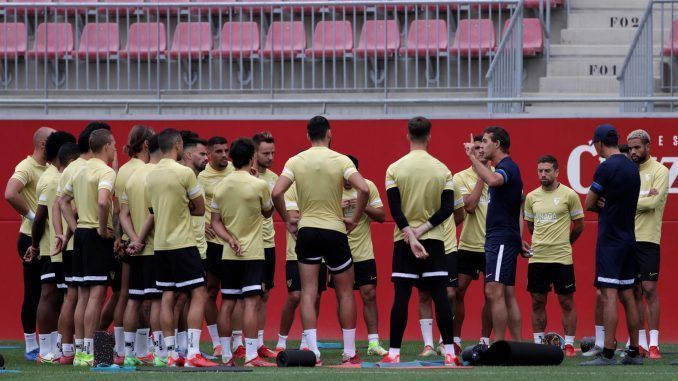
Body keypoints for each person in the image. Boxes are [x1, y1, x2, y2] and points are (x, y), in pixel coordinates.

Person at [271, 116, 369, 366]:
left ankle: (313, 353)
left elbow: (276, 192)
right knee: (346, 292)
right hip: (334, 230)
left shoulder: (295, 160)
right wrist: (355, 220)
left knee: (308, 291)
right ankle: (349, 353)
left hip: (307, 231)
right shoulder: (340, 159)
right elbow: (364, 189)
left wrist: (288, 221)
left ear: (307, 135)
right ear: (329, 133)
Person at [381, 117, 460, 366]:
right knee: (440, 296)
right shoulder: (442, 169)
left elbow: (394, 208)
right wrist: (423, 230)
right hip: (434, 242)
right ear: (429, 136)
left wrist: (410, 235)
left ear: (407, 135)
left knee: (401, 297)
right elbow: (448, 209)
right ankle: (450, 352)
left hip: (404, 241)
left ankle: (394, 353)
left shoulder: (394, 168)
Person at [142, 128, 216, 367]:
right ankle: (193, 352)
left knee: (167, 296)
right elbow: (200, 208)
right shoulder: (185, 173)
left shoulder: (149, 175)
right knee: (199, 292)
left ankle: (172, 354)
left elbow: (153, 211)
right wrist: (186, 208)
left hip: (161, 245)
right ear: (177, 144)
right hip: (183, 242)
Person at [210, 138, 276, 367]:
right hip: (253, 253)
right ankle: (250, 356)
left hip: (229, 253)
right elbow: (268, 213)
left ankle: (227, 356)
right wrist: (256, 180)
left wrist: (229, 238)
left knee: (227, 303)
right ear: (252, 158)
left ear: (231, 159)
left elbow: (215, 222)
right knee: (250, 303)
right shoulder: (259, 185)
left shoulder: (221, 186)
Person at [581, 124, 642, 366]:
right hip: (629, 237)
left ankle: (607, 353)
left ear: (598, 144)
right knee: (629, 296)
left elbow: (588, 203)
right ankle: (634, 352)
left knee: (609, 295)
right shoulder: (632, 166)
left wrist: (599, 204)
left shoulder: (606, 168)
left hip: (611, 241)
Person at [52, 122, 110, 365]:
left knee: (81, 295)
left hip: (81, 235)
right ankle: (90, 353)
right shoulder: (105, 171)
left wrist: (73, 230)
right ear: (107, 146)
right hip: (95, 234)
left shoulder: (76, 169)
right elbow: (104, 202)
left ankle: (79, 352)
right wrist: (103, 228)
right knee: (96, 295)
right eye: (114, 145)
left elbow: (62, 201)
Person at [463, 126, 526, 343]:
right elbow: (518, 206)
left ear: (497, 144)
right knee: (506, 294)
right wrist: (517, 238)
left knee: (493, 292)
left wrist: (473, 158)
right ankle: (518, 346)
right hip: (504, 238)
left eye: (486, 142)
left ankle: (498, 344)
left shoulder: (507, 166)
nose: (482, 147)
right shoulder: (504, 167)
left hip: (500, 239)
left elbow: (493, 180)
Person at [523, 155, 584, 357]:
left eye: (547, 170)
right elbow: (531, 227)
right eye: (540, 170)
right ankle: (539, 343)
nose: (543, 174)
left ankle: (568, 344)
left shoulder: (569, 195)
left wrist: (565, 243)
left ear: (557, 172)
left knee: (566, 302)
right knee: (537, 301)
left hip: (562, 258)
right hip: (538, 257)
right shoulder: (531, 197)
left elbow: (579, 225)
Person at [5, 126, 55, 361]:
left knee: (53, 291)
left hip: (49, 238)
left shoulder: (50, 168)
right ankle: (30, 344)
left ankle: (52, 343)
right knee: (34, 291)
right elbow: (10, 193)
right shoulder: (26, 167)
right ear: (43, 144)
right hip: (30, 238)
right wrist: (34, 217)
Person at [29, 131, 76, 363]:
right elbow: (42, 216)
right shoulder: (54, 179)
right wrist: (36, 245)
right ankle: (49, 350)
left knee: (68, 296)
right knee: (56, 295)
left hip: (59, 245)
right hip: (58, 248)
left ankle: (62, 349)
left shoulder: (56, 176)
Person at [334, 154, 389, 356]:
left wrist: (360, 204)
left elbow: (382, 216)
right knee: (343, 297)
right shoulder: (331, 186)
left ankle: (374, 343)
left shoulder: (367, 186)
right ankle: (348, 343)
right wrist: (337, 208)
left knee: (369, 294)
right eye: (344, 176)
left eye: (351, 176)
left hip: (363, 251)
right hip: (338, 251)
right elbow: (318, 214)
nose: (347, 181)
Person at [112, 125, 155, 365]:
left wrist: (122, 238)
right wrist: (139, 239)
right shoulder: (149, 171)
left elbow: (119, 211)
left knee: (123, 296)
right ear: (147, 145)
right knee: (150, 299)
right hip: (147, 242)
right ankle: (143, 349)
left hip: (129, 240)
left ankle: (122, 350)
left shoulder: (122, 172)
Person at [120, 134, 165, 366]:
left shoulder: (133, 175)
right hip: (155, 247)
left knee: (133, 299)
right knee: (157, 301)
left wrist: (134, 240)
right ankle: (159, 354)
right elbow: (154, 213)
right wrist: (142, 240)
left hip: (136, 249)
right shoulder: (158, 176)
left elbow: (123, 214)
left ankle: (129, 355)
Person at [627, 129, 669, 359]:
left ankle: (654, 343)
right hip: (626, 238)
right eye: (630, 148)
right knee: (632, 292)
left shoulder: (660, 171)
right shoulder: (626, 171)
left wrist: (628, 202)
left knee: (649, 289)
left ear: (648, 147)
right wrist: (641, 199)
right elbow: (642, 200)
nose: (633, 152)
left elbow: (653, 202)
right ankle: (640, 342)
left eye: (637, 148)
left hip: (649, 239)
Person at [275, 183, 326, 352]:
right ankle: (282, 341)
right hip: (295, 253)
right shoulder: (291, 188)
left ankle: (307, 341)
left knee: (316, 297)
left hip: (321, 252)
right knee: (295, 296)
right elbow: (293, 217)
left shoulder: (322, 186)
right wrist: (321, 215)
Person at [452, 135, 493, 348]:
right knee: (457, 291)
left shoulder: (499, 175)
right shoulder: (460, 177)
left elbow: (517, 208)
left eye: (483, 146)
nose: (480, 151)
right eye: (476, 147)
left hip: (492, 247)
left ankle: (485, 340)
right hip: (468, 244)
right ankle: (455, 340)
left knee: (490, 294)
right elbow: (469, 206)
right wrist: (481, 176)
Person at [417, 180, 465, 357]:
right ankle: (428, 345)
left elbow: (459, 215)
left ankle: (443, 341)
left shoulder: (453, 187)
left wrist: (447, 231)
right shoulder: (420, 186)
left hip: (449, 248)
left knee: (450, 294)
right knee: (424, 294)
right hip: (426, 247)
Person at [198, 136, 233, 358]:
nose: (223, 155)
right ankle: (217, 343)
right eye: (218, 151)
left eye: (226, 150)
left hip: (234, 241)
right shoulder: (201, 177)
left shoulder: (236, 172)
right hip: (213, 244)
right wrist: (202, 223)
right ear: (208, 154)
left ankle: (236, 342)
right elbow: (192, 204)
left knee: (235, 295)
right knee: (210, 291)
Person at [250, 131, 279, 358]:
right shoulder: (240, 176)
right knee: (245, 296)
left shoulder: (275, 178)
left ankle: (258, 343)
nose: (270, 157)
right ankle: (240, 343)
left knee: (264, 294)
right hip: (246, 244)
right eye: (265, 153)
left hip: (268, 243)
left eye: (272, 153)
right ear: (254, 153)